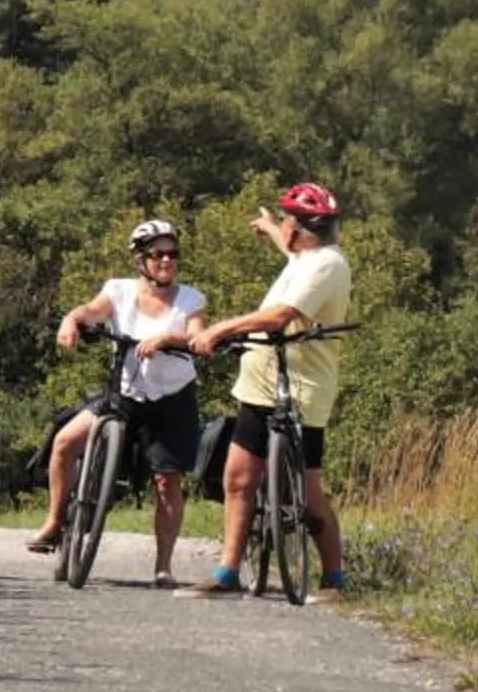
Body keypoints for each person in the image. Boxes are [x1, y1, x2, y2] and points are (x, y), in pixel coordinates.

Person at [189, 181, 351, 598]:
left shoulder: (328, 265)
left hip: (303, 390)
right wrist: (269, 228)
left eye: (285, 222)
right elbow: (292, 253)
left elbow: (279, 316)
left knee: (309, 488)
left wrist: (221, 328)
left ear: (299, 230)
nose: (284, 228)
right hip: (260, 384)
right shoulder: (306, 256)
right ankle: (228, 570)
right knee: (239, 478)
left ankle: (334, 576)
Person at [28, 217, 208, 585]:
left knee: (167, 481)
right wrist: (70, 322)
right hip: (124, 393)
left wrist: (167, 339)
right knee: (64, 442)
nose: (167, 261)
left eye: (173, 254)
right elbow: (90, 311)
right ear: (140, 259)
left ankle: (163, 566)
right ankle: (55, 521)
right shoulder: (119, 290)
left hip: (172, 399)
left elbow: (196, 337)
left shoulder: (190, 298)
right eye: (158, 254)